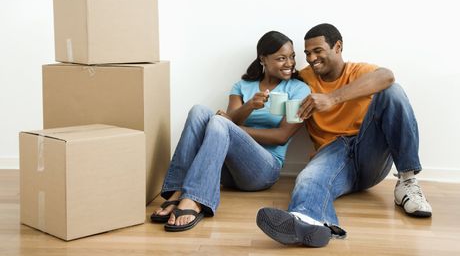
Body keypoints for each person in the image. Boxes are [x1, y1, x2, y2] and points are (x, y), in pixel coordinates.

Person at [256, 23, 432, 247]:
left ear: (337, 46)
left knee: (393, 92)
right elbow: (275, 75)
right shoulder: (304, 78)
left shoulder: (358, 72)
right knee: (308, 178)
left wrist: (333, 98)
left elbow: (387, 76)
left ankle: (407, 182)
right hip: (332, 154)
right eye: (307, 53)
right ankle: (309, 221)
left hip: (369, 150)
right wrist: (238, 113)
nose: (311, 58)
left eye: (318, 50)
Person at [150, 31, 310, 232]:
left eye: (292, 56)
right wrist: (250, 105)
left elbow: (281, 136)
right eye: (281, 58)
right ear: (263, 59)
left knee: (218, 122)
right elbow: (230, 119)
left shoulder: (299, 90)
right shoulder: (242, 86)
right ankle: (179, 190)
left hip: (264, 170)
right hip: (226, 172)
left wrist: (235, 129)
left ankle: (195, 199)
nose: (289, 63)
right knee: (199, 111)